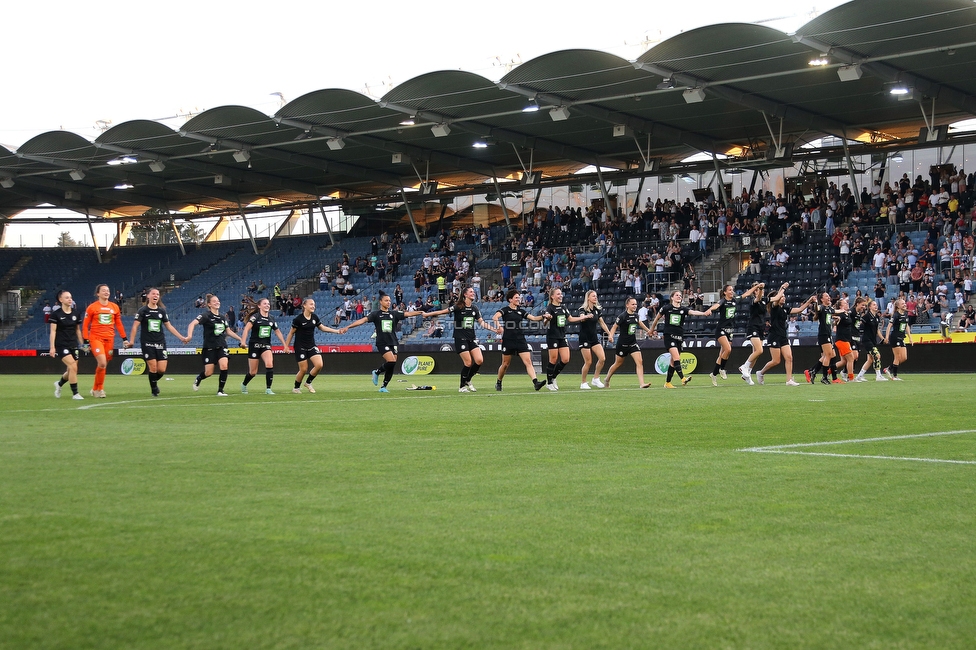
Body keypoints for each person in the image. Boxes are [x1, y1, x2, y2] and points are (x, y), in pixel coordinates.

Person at [343, 290, 434, 393]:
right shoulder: (375, 314)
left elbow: (408, 314)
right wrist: (348, 326)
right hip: (382, 342)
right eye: (386, 300)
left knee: (392, 364)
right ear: (380, 302)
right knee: (391, 361)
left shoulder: (394, 314)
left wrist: (421, 312)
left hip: (393, 341)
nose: (389, 302)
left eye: (389, 300)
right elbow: (362, 320)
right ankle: (376, 372)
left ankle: (383, 387)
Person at [128, 287, 187, 396]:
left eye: (157, 294)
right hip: (147, 343)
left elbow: (169, 326)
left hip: (160, 342)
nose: (156, 296)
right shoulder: (143, 311)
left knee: (161, 369)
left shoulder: (162, 311)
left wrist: (181, 337)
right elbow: (135, 326)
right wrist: (131, 341)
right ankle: (154, 389)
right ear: (148, 296)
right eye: (153, 294)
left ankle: (153, 381)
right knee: (153, 367)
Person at [649, 290, 712, 388]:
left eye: (680, 295)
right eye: (677, 295)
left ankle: (667, 383)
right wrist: (651, 330)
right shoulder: (666, 308)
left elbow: (693, 312)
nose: (679, 296)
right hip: (669, 336)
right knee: (677, 357)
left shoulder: (683, 309)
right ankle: (683, 378)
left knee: (673, 362)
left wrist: (703, 313)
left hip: (679, 336)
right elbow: (657, 318)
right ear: (672, 297)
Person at [754, 285, 814, 386]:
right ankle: (760, 372)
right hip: (774, 336)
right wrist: (782, 288)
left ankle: (789, 380)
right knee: (776, 361)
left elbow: (799, 310)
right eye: (782, 296)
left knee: (789, 357)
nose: (784, 297)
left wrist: (809, 301)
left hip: (783, 336)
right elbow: (777, 299)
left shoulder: (785, 309)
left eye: (784, 296)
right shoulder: (774, 307)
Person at [185, 294, 244, 396]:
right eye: (214, 301)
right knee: (208, 373)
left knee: (224, 365)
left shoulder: (222, 317)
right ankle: (199, 378)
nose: (217, 302)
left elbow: (228, 331)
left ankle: (220, 390)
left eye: (218, 301)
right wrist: (189, 336)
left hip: (221, 345)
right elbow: (192, 324)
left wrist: (240, 339)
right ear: (209, 304)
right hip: (209, 347)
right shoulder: (206, 316)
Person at [283, 298, 344, 394]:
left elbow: (322, 328)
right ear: (304, 306)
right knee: (303, 369)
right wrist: (286, 346)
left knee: (319, 365)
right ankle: (296, 387)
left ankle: (308, 383)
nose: (313, 306)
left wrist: (337, 331)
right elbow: (291, 333)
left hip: (311, 345)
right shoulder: (298, 319)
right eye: (311, 304)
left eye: (314, 304)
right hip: (300, 346)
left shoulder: (314, 317)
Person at [491, 289, 547, 392]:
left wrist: (543, 316)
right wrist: (499, 327)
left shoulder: (521, 311)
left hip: (520, 339)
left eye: (519, 297)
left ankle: (536, 383)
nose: (518, 299)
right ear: (510, 299)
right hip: (508, 340)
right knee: (505, 364)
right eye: (516, 297)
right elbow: (495, 317)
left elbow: (534, 318)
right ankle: (499, 382)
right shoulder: (505, 310)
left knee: (528, 362)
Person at [707, 283, 762, 386]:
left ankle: (714, 374)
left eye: (732, 290)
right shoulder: (723, 301)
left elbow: (747, 293)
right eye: (729, 290)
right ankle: (722, 369)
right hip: (721, 329)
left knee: (722, 354)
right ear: (725, 292)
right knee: (728, 349)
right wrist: (710, 309)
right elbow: (717, 305)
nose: (731, 291)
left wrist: (756, 287)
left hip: (730, 330)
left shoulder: (735, 300)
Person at [82, 283, 129, 398]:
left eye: (108, 290)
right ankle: (100, 389)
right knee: (102, 362)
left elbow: (119, 324)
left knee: (103, 365)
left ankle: (94, 389)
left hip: (109, 339)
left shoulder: (114, 307)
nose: (106, 292)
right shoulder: (92, 307)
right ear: (98, 293)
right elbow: (85, 325)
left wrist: (124, 339)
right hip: (96, 338)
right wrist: (86, 341)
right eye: (103, 290)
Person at [541, 287, 591, 391]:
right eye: (558, 294)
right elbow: (545, 323)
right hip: (552, 336)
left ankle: (553, 377)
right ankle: (549, 382)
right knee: (553, 360)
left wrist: (583, 317)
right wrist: (547, 319)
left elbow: (571, 318)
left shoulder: (563, 307)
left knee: (565, 359)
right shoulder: (550, 308)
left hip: (562, 336)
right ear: (552, 296)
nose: (561, 296)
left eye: (561, 294)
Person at [446, 286, 492, 392]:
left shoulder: (475, 308)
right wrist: (428, 314)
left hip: (471, 338)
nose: (473, 293)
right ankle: (462, 386)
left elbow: (482, 323)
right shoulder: (458, 306)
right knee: (468, 363)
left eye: (473, 292)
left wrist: (495, 329)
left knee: (479, 360)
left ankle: (468, 379)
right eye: (471, 292)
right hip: (460, 338)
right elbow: (444, 311)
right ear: (465, 294)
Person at [239, 297, 287, 395]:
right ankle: (244, 384)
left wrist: (285, 345)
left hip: (266, 345)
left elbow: (277, 332)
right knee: (253, 372)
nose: (267, 305)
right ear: (259, 306)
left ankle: (268, 389)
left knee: (269, 364)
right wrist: (243, 342)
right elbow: (246, 329)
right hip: (254, 346)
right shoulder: (255, 317)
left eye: (268, 304)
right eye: (265, 303)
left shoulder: (271, 318)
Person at [603, 297, 654, 388]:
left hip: (632, 343)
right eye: (633, 304)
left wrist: (648, 331)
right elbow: (614, 326)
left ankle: (642, 383)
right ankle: (607, 379)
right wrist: (611, 335)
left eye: (635, 304)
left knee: (640, 362)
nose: (635, 306)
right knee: (618, 363)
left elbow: (640, 323)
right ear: (627, 305)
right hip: (622, 344)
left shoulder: (636, 315)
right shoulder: (622, 316)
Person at [49, 290, 85, 400]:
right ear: (60, 300)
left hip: (73, 344)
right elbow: (53, 331)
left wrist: (82, 344)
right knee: (72, 366)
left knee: (72, 370)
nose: (70, 299)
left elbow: (78, 330)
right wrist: (52, 347)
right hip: (61, 345)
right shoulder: (56, 314)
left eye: (70, 297)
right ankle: (75, 393)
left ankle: (59, 384)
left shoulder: (76, 313)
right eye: (67, 297)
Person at [804, 292, 845, 385]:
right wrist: (815, 303)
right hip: (823, 334)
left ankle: (812, 371)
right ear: (822, 299)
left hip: (828, 334)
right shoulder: (822, 307)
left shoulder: (829, 308)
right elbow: (817, 308)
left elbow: (835, 312)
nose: (829, 297)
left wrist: (842, 311)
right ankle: (824, 377)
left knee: (831, 355)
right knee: (828, 355)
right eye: (826, 296)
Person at [739, 283, 773, 385]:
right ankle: (744, 367)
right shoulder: (753, 300)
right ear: (755, 291)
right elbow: (757, 298)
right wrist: (761, 288)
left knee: (756, 354)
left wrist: (783, 289)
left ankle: (747, 374)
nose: (760, 292)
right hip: (753, 327)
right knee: (759, 350)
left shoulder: (764, 301)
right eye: (758, 290)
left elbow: (775, 298)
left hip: (760, 328)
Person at [577, 290, 612, 389]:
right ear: (588, 298)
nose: (595, 297)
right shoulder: (582, 309)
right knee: (588, 362)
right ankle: (583, 382)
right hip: (584, 338)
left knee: (602, 358)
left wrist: (609, 334)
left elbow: (602, 323)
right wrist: (587, 316)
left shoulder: (596, 310)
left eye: (596, 296)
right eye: (593, 296)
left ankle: (596, 378)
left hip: (594, 338)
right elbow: (581, 318)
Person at [856, 299, 888, 382]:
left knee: (870, 360)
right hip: (867, 340)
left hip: (873, 340)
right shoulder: (866, 316)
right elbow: (859, 324)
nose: (876, 306)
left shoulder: (876, 317)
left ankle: (859, 376)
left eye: (876, 305)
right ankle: (878, 375)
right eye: (874, 304)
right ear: (869, 307)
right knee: (877, 355)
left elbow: (877, 330)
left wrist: (883, 338)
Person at [883, 297, 913, 380]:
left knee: (904, 358)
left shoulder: (905, 314)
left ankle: (888, 368)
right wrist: (886, 337)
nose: (905, 305)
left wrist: (910, 337)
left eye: (904, 303)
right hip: (895, 337)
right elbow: (889, 326)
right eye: (902, 303)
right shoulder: (896, 315)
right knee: (897, 357)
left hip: (901, 337)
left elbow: (906, 326)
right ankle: (895, 376)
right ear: (898, 306)